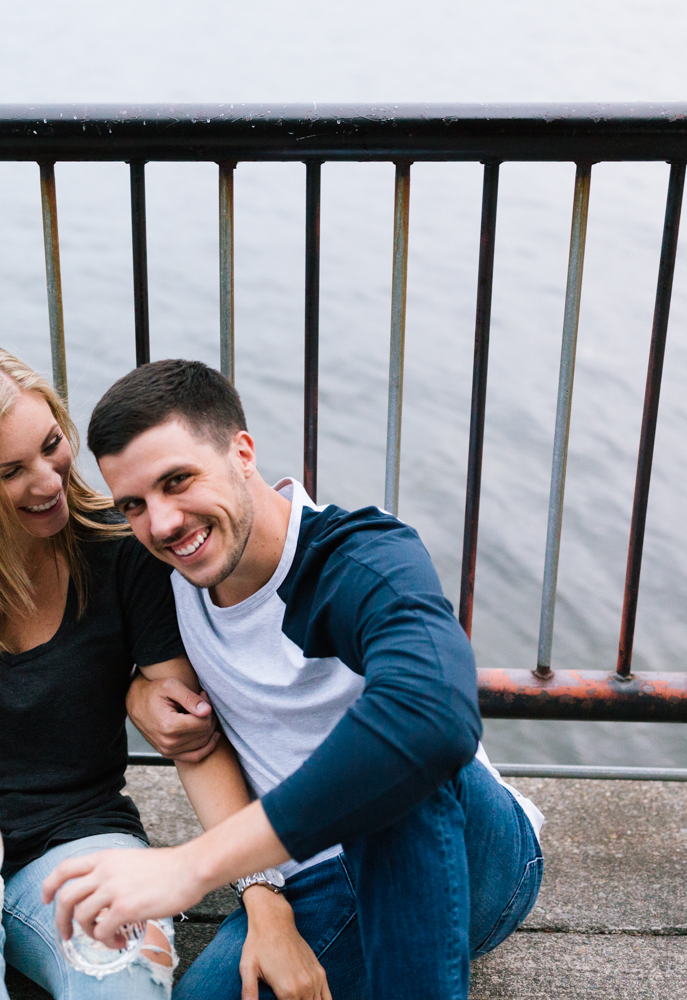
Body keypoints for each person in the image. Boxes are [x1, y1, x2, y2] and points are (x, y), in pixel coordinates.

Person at [0, 342, 328, 1000]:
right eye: (11, 472)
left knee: (127, 973)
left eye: (52, 445)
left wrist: (266, 902)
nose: (49, 480)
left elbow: (192, 738)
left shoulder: (122, 548)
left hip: (82, 839)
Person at [42, 359, 545, 1000]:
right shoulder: (161, 572)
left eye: (179, 480)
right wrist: (135, 689)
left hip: (471, 852)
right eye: (134, 504)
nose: (163, 523)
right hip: (310, 880)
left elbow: (437, 716)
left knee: (394, 757)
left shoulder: (355, 557)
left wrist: (194, 866)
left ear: (242, 452)